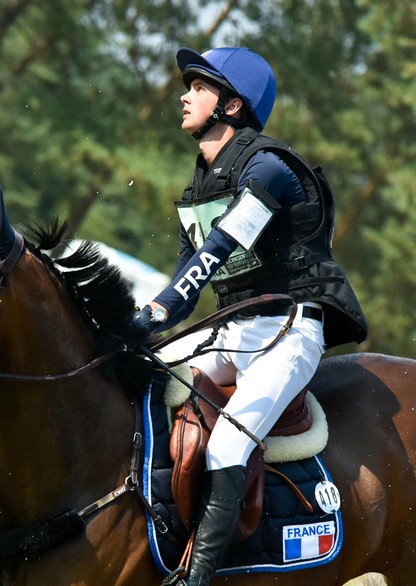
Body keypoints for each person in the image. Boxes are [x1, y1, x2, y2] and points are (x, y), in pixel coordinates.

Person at [133, 47, 368, 585]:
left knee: (229, 445)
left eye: (199, 86)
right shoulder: (200, 186)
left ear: (231, 105)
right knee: (146, 382)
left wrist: (162, 307)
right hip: (236, 330)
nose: (185, 95)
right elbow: (189, 283)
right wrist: (140, 324)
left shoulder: (270, 168)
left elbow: (222, 244)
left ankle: (199, 577)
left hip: (290, 334)